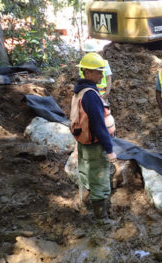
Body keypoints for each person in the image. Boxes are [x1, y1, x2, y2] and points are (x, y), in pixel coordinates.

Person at [71, 52, 117, 225]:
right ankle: (102, 219)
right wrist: (110, 150)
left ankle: (84, 204)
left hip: (84, 142)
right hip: (95, 144)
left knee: (85, 174)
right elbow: (98, 125)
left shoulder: (80, 90)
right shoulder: (90, 95)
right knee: (99, 179)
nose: (101, 74)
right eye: (98, 71)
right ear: (88, 72)